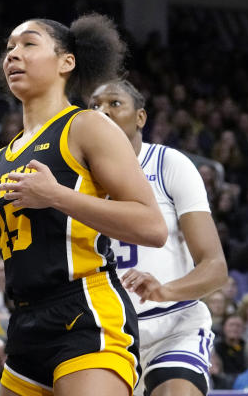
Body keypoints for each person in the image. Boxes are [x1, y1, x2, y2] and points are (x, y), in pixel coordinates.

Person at [0, 14, 168, 396]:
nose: (13, 54)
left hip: (86, 311)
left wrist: (56, 195)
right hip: (24, 327)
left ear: (67, 61)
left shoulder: (88, 126)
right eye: (9, 48)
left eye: (28, 44)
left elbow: (153, 227)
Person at [90, 80, 227, 396]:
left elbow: (215, 267)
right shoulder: (76, 179)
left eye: (114, 103)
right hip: (106, 334)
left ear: (140, 118)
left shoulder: (170, 164)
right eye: (94, 107)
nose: (102, 112)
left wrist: (165, 290)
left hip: (174, 326)